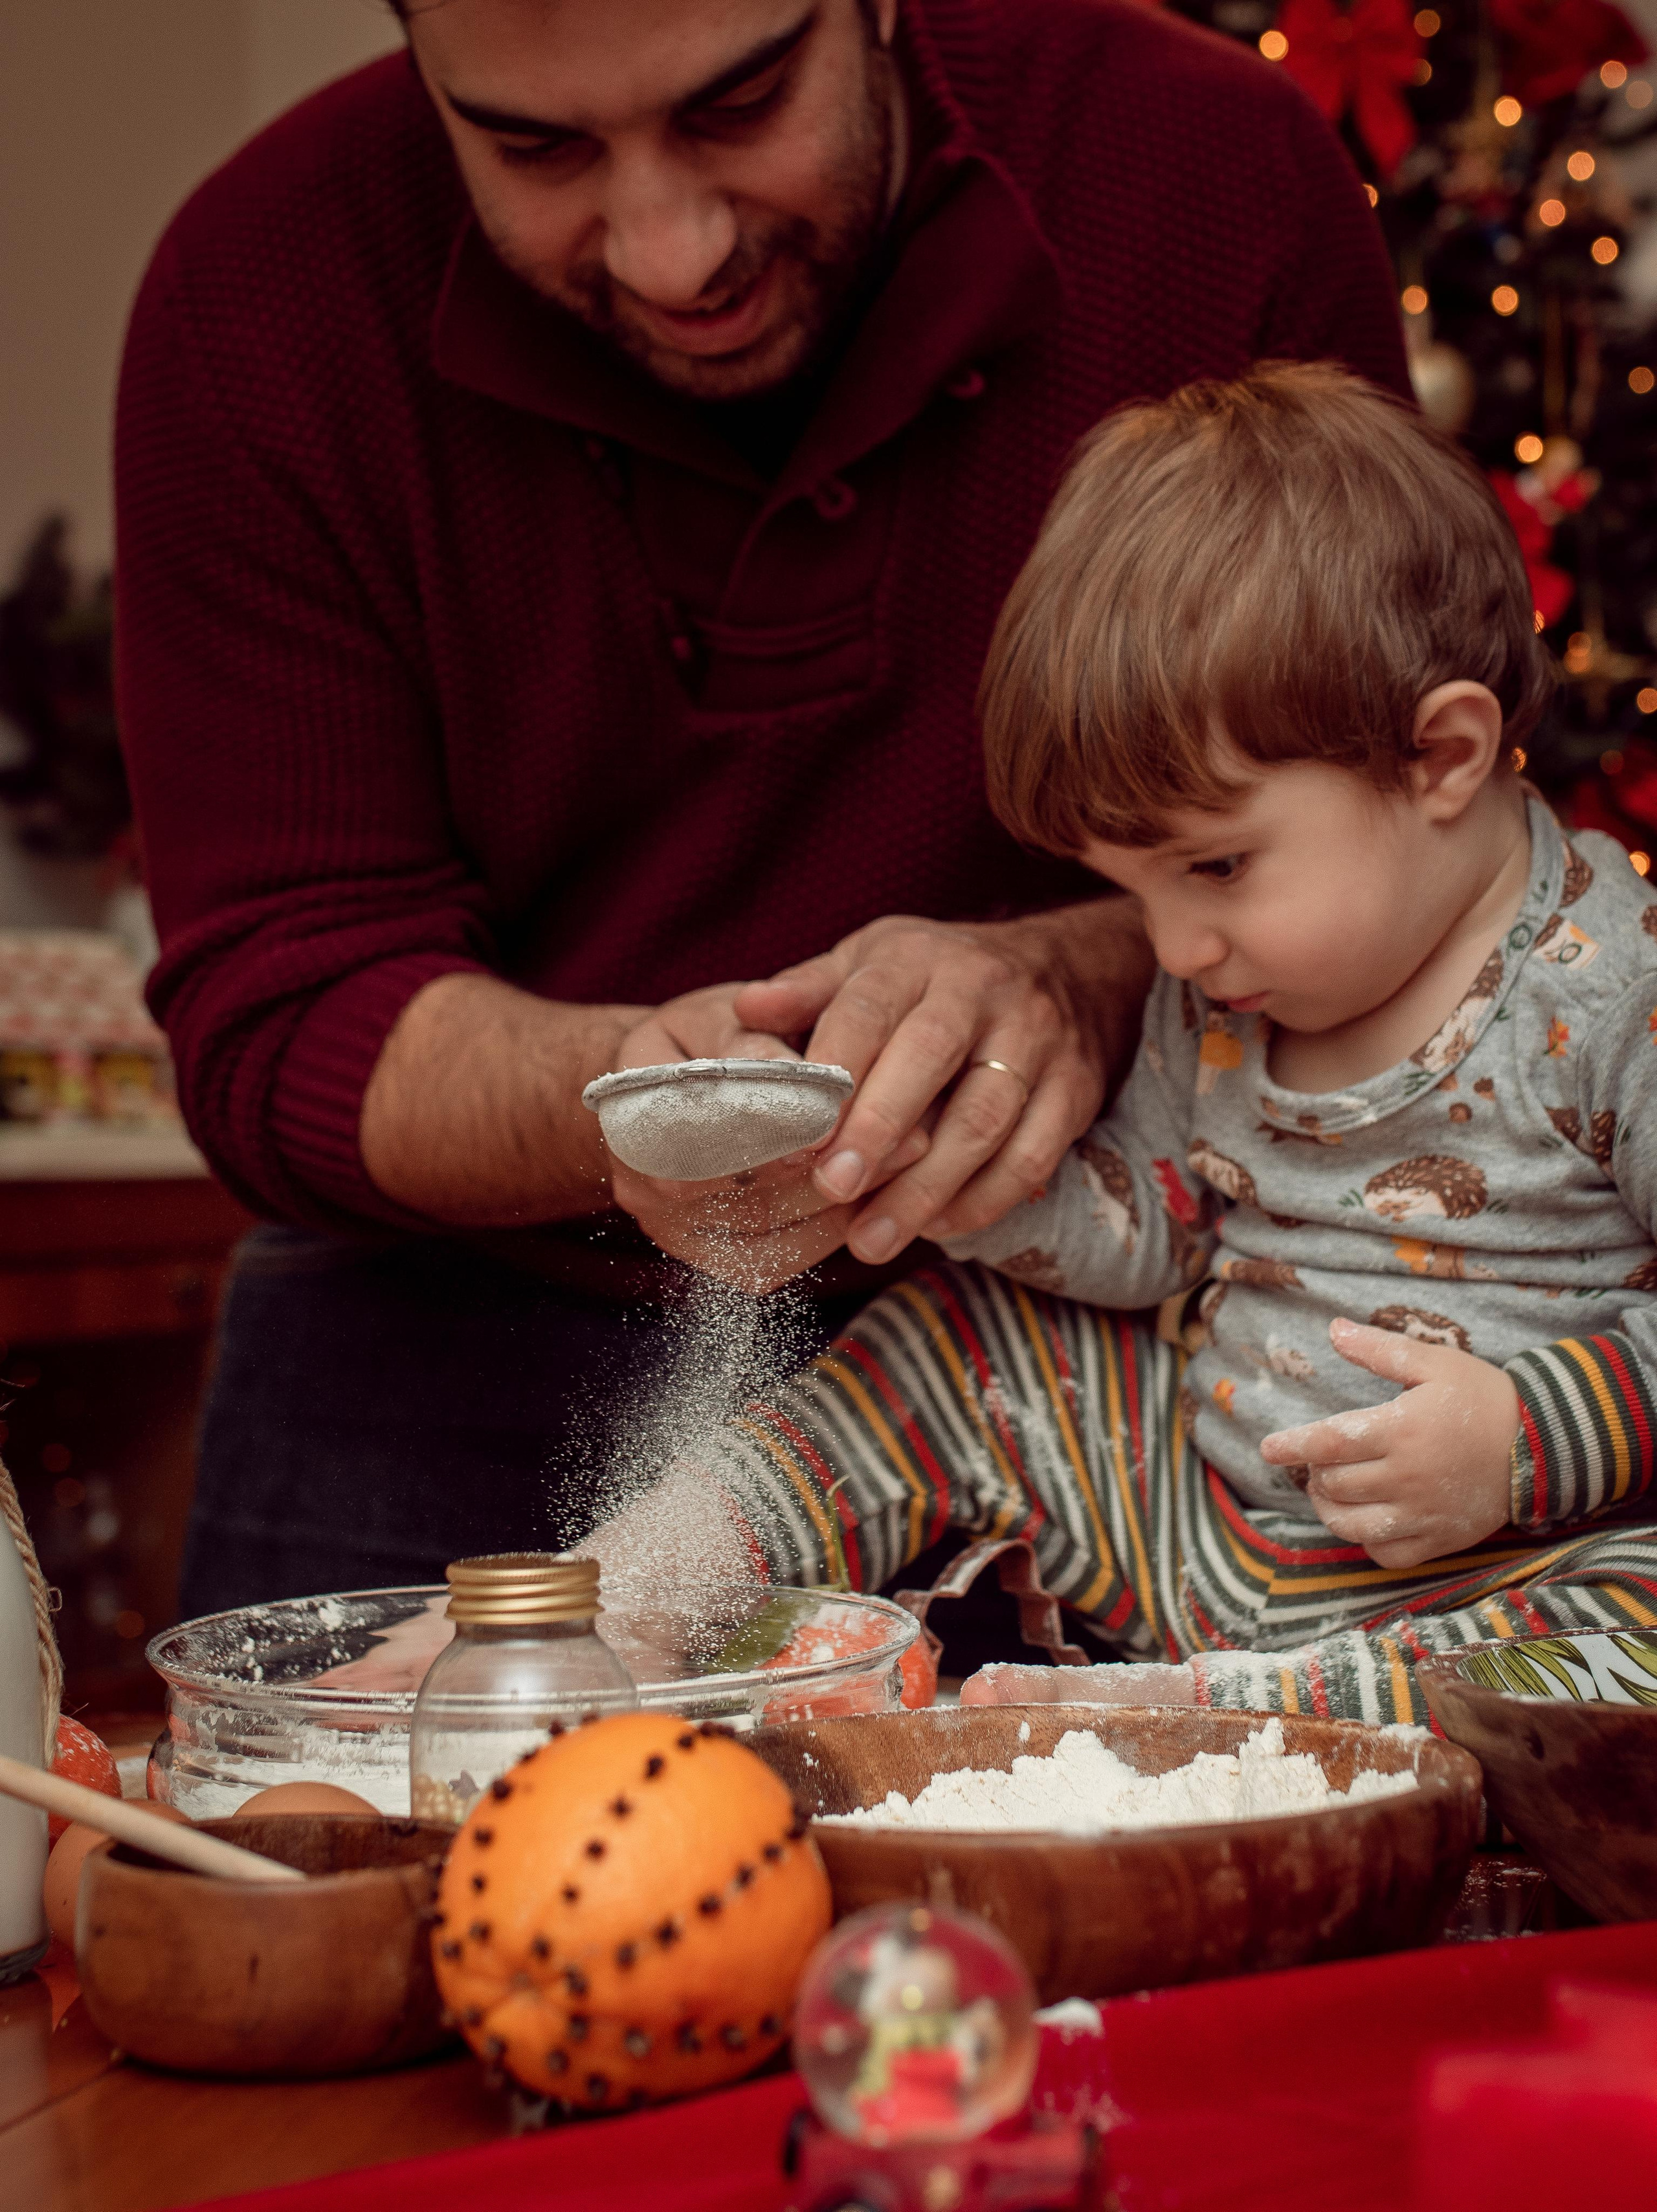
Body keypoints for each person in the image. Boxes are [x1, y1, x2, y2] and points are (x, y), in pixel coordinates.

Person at [115, 0, 1409, 1614]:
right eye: (536, 147)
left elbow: (1391, 832)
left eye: (740, 101)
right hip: (436, 1341)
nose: (670, 252)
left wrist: (1080, 971)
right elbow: (279, 1012)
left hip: (1115, 1337)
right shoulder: (257, 292)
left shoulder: (1203, 170)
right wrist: (630, 1095)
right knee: (333, 1845)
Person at [592, 363, 1657, 1724]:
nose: (1167, 949)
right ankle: (633, 1593)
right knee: (970, 1334)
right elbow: (1153, 1230)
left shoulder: (1614, 990)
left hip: (1497, 1579)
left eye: (1210, 866)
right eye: (1131, 885)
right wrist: (942, 1178)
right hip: (1195, 1518)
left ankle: (1221, 1710)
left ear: (1440, 756)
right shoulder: (1228, 981)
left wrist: (1520, 1444)